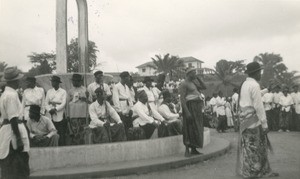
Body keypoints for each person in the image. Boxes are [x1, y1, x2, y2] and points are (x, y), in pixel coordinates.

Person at [236, 62, 278, 178]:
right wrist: (265, 124)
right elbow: (259, 106)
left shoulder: (245, 84)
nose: (261, 74)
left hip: (245, 121)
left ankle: (256, 171)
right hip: (254, 122)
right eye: (260, 72)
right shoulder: (254, 85)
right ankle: (255, 172)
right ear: (255, 73)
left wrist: (267, 90)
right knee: (257, 147)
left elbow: (255, 96)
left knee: (250, 147)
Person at [0, 66, 30, 178]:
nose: (19, 82)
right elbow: (13, 119)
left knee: (10, 165)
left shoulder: (5, 94)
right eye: (18, 80)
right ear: (15, 81)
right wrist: (18, 139)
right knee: (18, 167)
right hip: (13, 134)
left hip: (8, 131)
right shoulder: (11, 95)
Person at [179, 68, 206, 157]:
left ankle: (194, 149)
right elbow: (182, 99)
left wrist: (198, 78)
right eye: (194, 73)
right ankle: (187, 149)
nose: (195, 74)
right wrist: (187, 112)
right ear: (189, 74)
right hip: (190, 107)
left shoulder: (194, 82)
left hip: (197, 107)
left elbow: (204, 87)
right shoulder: (184, 84)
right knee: (188, 128)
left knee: (197, 128)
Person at [45, 76, 67, 146]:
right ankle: (52, 145)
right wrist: (49, 109)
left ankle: (61, 146)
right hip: (50, 113)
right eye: (52, 81)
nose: (52, 83)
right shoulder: (49, 91)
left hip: (59, 112)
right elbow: (46, 103)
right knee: (51, 130)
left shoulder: (63, 91)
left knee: (61, 131)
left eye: (54, 81)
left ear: (58, 83)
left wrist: (56, 109)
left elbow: (63, 103)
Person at [67, 74, 88, 145]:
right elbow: (67, 103)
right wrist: (67, 115)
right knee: (74, 133)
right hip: (73, 115)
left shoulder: (85, 89)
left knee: (83, 133)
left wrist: (85, 98)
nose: (74, 82)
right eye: (73, 81)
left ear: (79, 81)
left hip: (83, 115)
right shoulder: (70, 91)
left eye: (76, 81)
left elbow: (90, 101)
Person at [112, 71, 134, 138]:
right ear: (124, 78)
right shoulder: (116, 86)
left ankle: (129, 138)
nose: (129, 79)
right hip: (121, 107)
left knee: (129, 125)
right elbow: (115, 99)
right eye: (128, 77)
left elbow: (129, 98)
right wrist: (119, 111)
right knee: (122, 126)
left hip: (127, 107)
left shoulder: (126, 87)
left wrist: (131, 108)